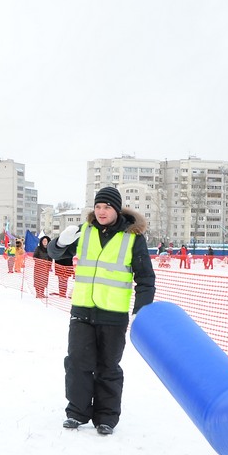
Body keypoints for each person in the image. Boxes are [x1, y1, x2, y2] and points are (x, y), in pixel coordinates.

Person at [48, 186, 155, 436]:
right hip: (82, 310)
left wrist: (142, 310)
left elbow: (146, 278)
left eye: (106, 207)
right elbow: (53, 254)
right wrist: (60, 242)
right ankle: (77, 412)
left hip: (113, 314)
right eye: (97, 207)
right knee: (77, 363)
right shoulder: (84, 232)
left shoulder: (132, 238)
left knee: (108, 367)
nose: (101, 211)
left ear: (117, 209)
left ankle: (106, 417)